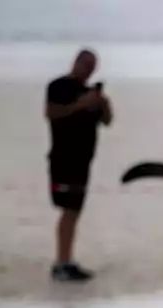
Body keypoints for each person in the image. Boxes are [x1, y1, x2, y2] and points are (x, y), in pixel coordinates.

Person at [44, 48, 112, 282]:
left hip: (83, 161)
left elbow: (107, 121)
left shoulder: (89, 92)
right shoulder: (58, 86)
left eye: (92, 67)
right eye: (86, 65)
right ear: (76, 63)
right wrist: (79, 105)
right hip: (63, 159)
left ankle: (66, 260)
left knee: (75, 211)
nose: (88, 70)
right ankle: (61, 263)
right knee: (68, 210)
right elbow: (51, 113)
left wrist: (103, 102)